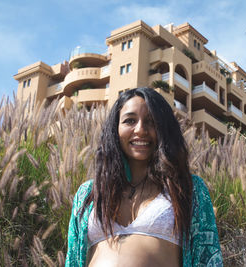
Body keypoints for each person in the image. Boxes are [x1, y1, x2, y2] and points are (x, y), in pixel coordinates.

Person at [65, 87, 223, 266]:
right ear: (115, 128)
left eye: (151, 121)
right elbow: (73, 259)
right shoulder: (88, 193)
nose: (140, 130)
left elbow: (208, 257)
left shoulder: (189, 188)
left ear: (164, 129)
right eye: (130, 120)